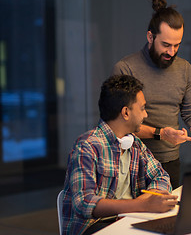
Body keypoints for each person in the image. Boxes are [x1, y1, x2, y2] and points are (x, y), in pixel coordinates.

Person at [112, 0, 191, 188]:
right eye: (166, 45)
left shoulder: (185, 70)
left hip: (169, 163)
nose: (172, 52)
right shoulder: (126, 69)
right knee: (133, 217)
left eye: (177, 45)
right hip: (132, 162)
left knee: (169, 217)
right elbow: (119, 124)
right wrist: (161, 133)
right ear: (150, 36)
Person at [61, 75, 178, 235]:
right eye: (142, 108)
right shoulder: (87, 146)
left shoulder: (134, 143)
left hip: (131, 218)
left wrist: (150, 200)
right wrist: (143, 205)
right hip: (94, 227)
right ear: (126, 112)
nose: (146, 115)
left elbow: (161, 176)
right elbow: (85, 203)